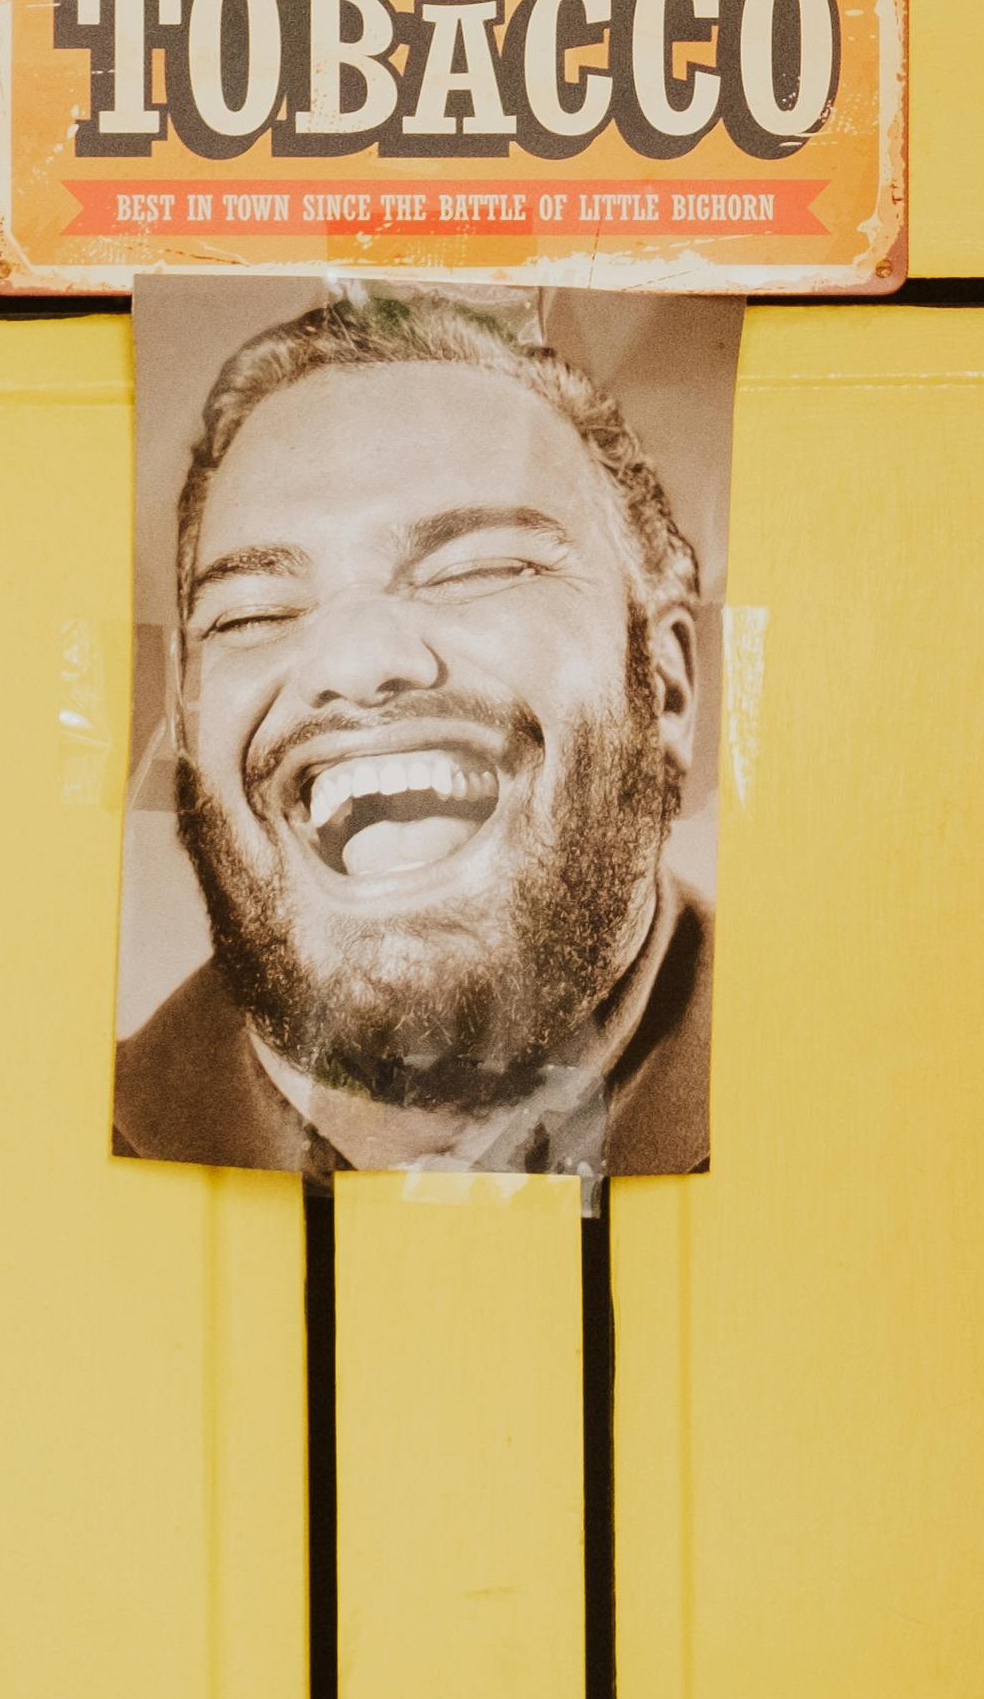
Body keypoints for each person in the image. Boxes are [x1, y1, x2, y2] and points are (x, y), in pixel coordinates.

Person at [115, 290, 712, 1178]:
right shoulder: (22, 1155)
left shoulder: (874, 1095)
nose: (354, 661)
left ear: (663, 683)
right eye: (250, 613)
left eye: (477, 567)